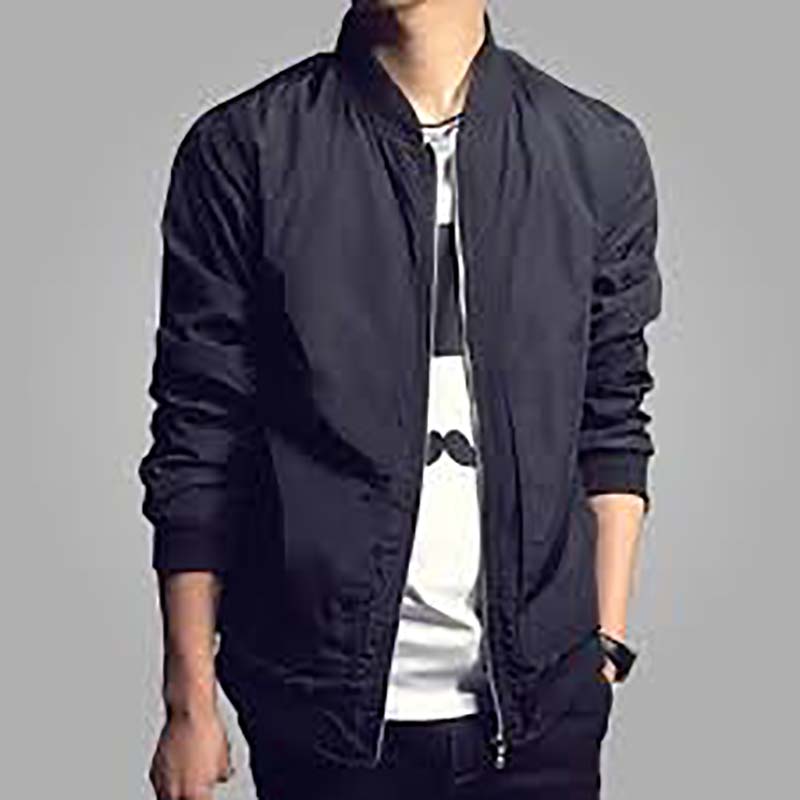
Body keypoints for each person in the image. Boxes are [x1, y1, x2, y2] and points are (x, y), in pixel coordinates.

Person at [139, 1, 662, 798]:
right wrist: (189, 702)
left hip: (542, 718)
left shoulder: (596, 151)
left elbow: (612, 414)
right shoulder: (245, 147)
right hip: (318, 714)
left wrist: (606, 644)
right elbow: (199, 435)